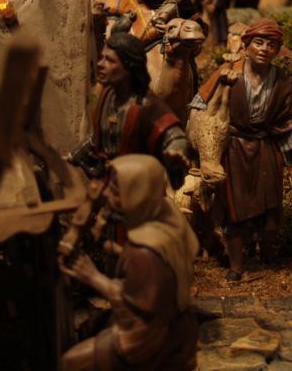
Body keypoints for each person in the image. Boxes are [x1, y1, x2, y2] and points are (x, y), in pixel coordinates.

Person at [189, 18, 292, 281]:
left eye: (271, 45)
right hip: (234, 151)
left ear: (277, 50)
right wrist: (200, 141)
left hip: (266, 150)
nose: (264, 49)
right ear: (246, 45)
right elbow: (199, 104)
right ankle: (237, 266)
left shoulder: (281, 82)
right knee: (235, 209)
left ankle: (268, 256)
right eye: (259, 42)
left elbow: (289, 124)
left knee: (269, 206)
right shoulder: (228, 74)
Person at [60, 154, 199, 371]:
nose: (106, 194)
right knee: (92, 327)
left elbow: (132, 302)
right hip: (177, 321)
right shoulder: (166, 219)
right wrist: (109, 247)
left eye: (116, 191)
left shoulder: (144, 251)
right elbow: (147, 272)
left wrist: (92, 276)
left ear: (137, 195)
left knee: (71, 362)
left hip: (147, 336)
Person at [69, 31, 189, 188]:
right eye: (102, 58)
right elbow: (99, 139)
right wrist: (73, 156)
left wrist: (175, 151)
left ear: (128, 67)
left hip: (138, 189)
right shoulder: (108, 96)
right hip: (109, 185)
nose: (100, 64)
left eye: (110, 60)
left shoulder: (147, 105)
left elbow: (175, 136)